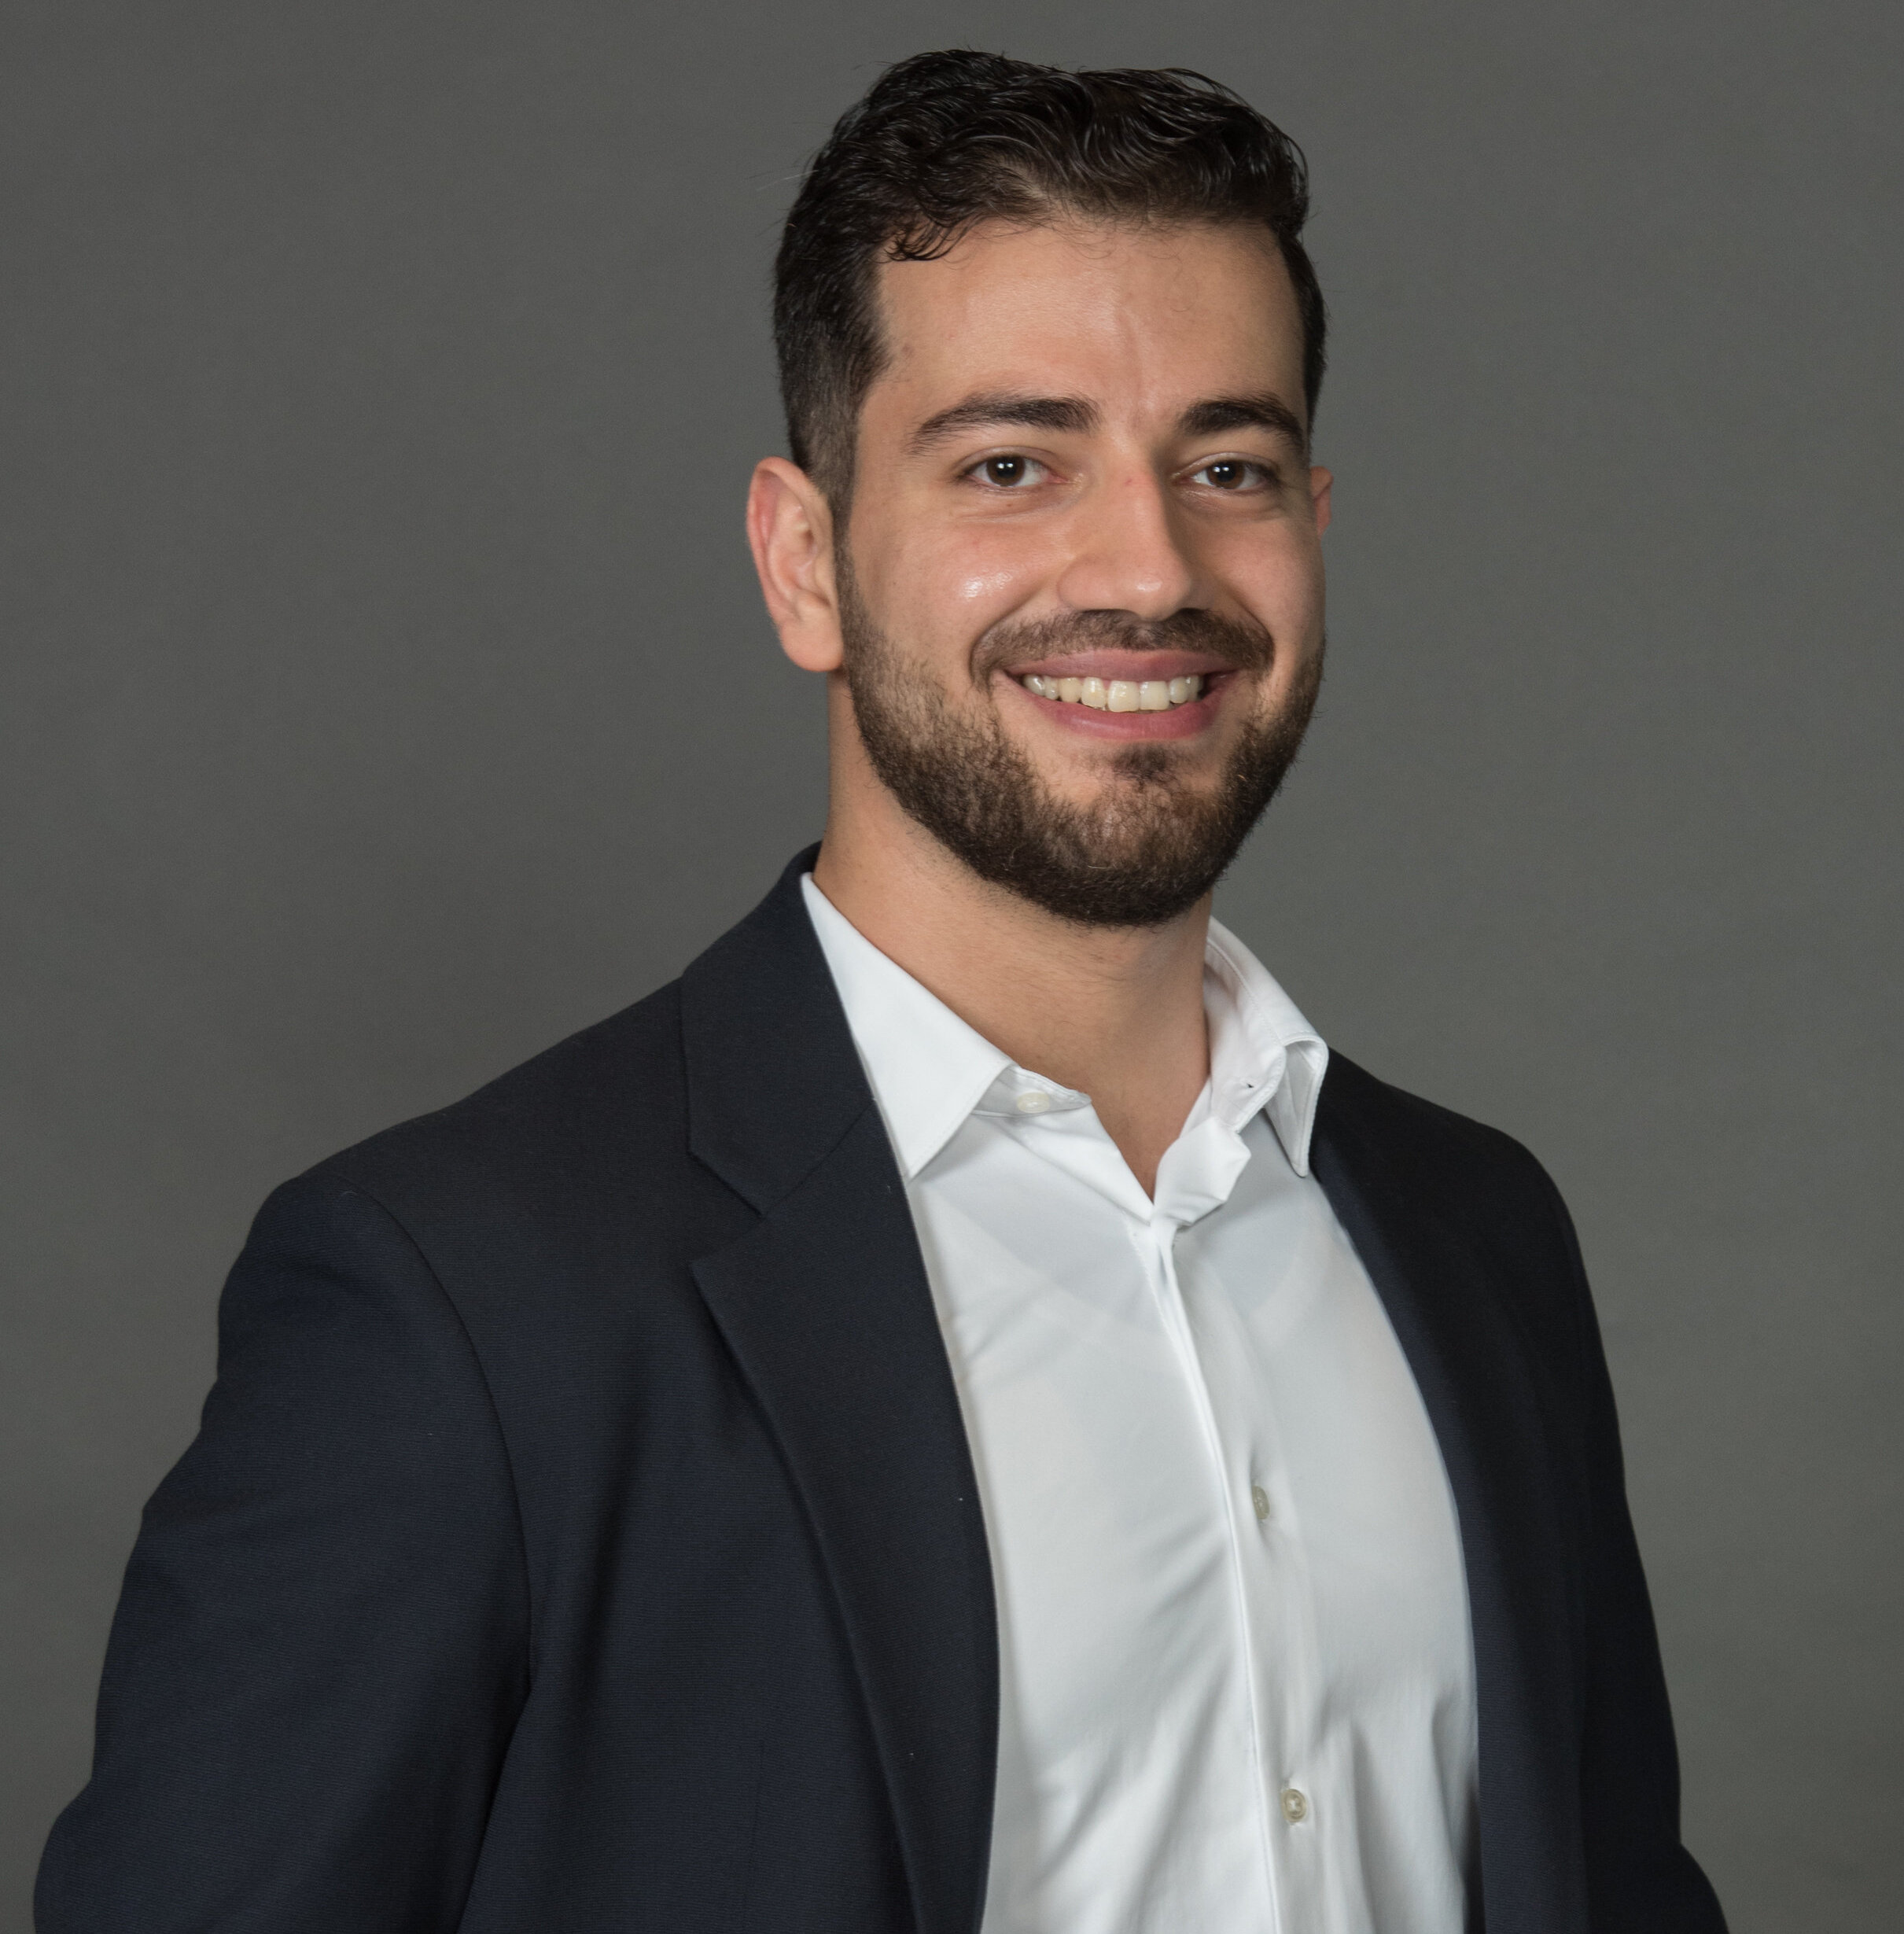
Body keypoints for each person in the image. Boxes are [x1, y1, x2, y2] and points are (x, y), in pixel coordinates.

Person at [37, 50, 1727, 1934]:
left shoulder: (1478, 1238)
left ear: (1310, 529)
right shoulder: (459, 1304)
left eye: (1224, 468)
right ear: (805, 561)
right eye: (1010, 466)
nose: (1146, 565)